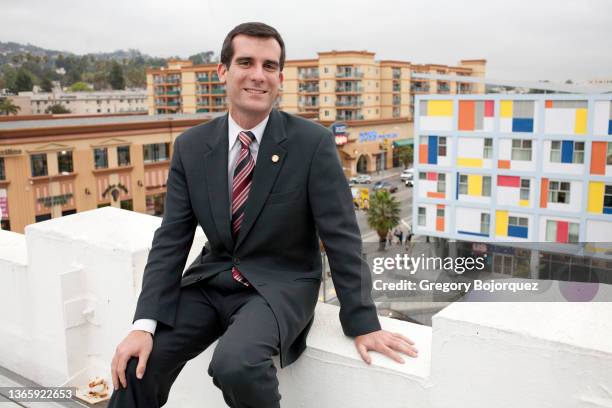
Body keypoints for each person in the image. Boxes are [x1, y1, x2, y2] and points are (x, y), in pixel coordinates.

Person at [108, 22, 418, 408]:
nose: (258, 75)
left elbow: (341, 237)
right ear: (223, 71)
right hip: (213, 279)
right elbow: (172, 239)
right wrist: (144, 324)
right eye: (246, 62)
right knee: (137, 364)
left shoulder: (312, 143)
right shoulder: (191, 147)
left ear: (280, 78)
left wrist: (363, 321)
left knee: (235, 364)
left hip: (281, 285)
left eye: (269, 66)